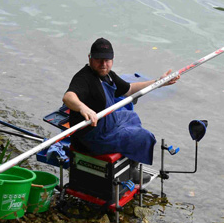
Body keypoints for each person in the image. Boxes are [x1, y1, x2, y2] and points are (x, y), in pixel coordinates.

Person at [63, 37, 179, 169]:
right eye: (98, 60)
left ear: (112, 60)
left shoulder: (109, 75)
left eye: (107, 60)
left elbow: (129, 89)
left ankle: (129, 155)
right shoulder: (83, 78)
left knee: (131, 116)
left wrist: (158, 82)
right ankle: (132, 169)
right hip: (92, 137)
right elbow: (68, 97)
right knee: (144, 137)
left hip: (106, 122)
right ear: (90, 58)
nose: (103, 64)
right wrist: (83, 108)